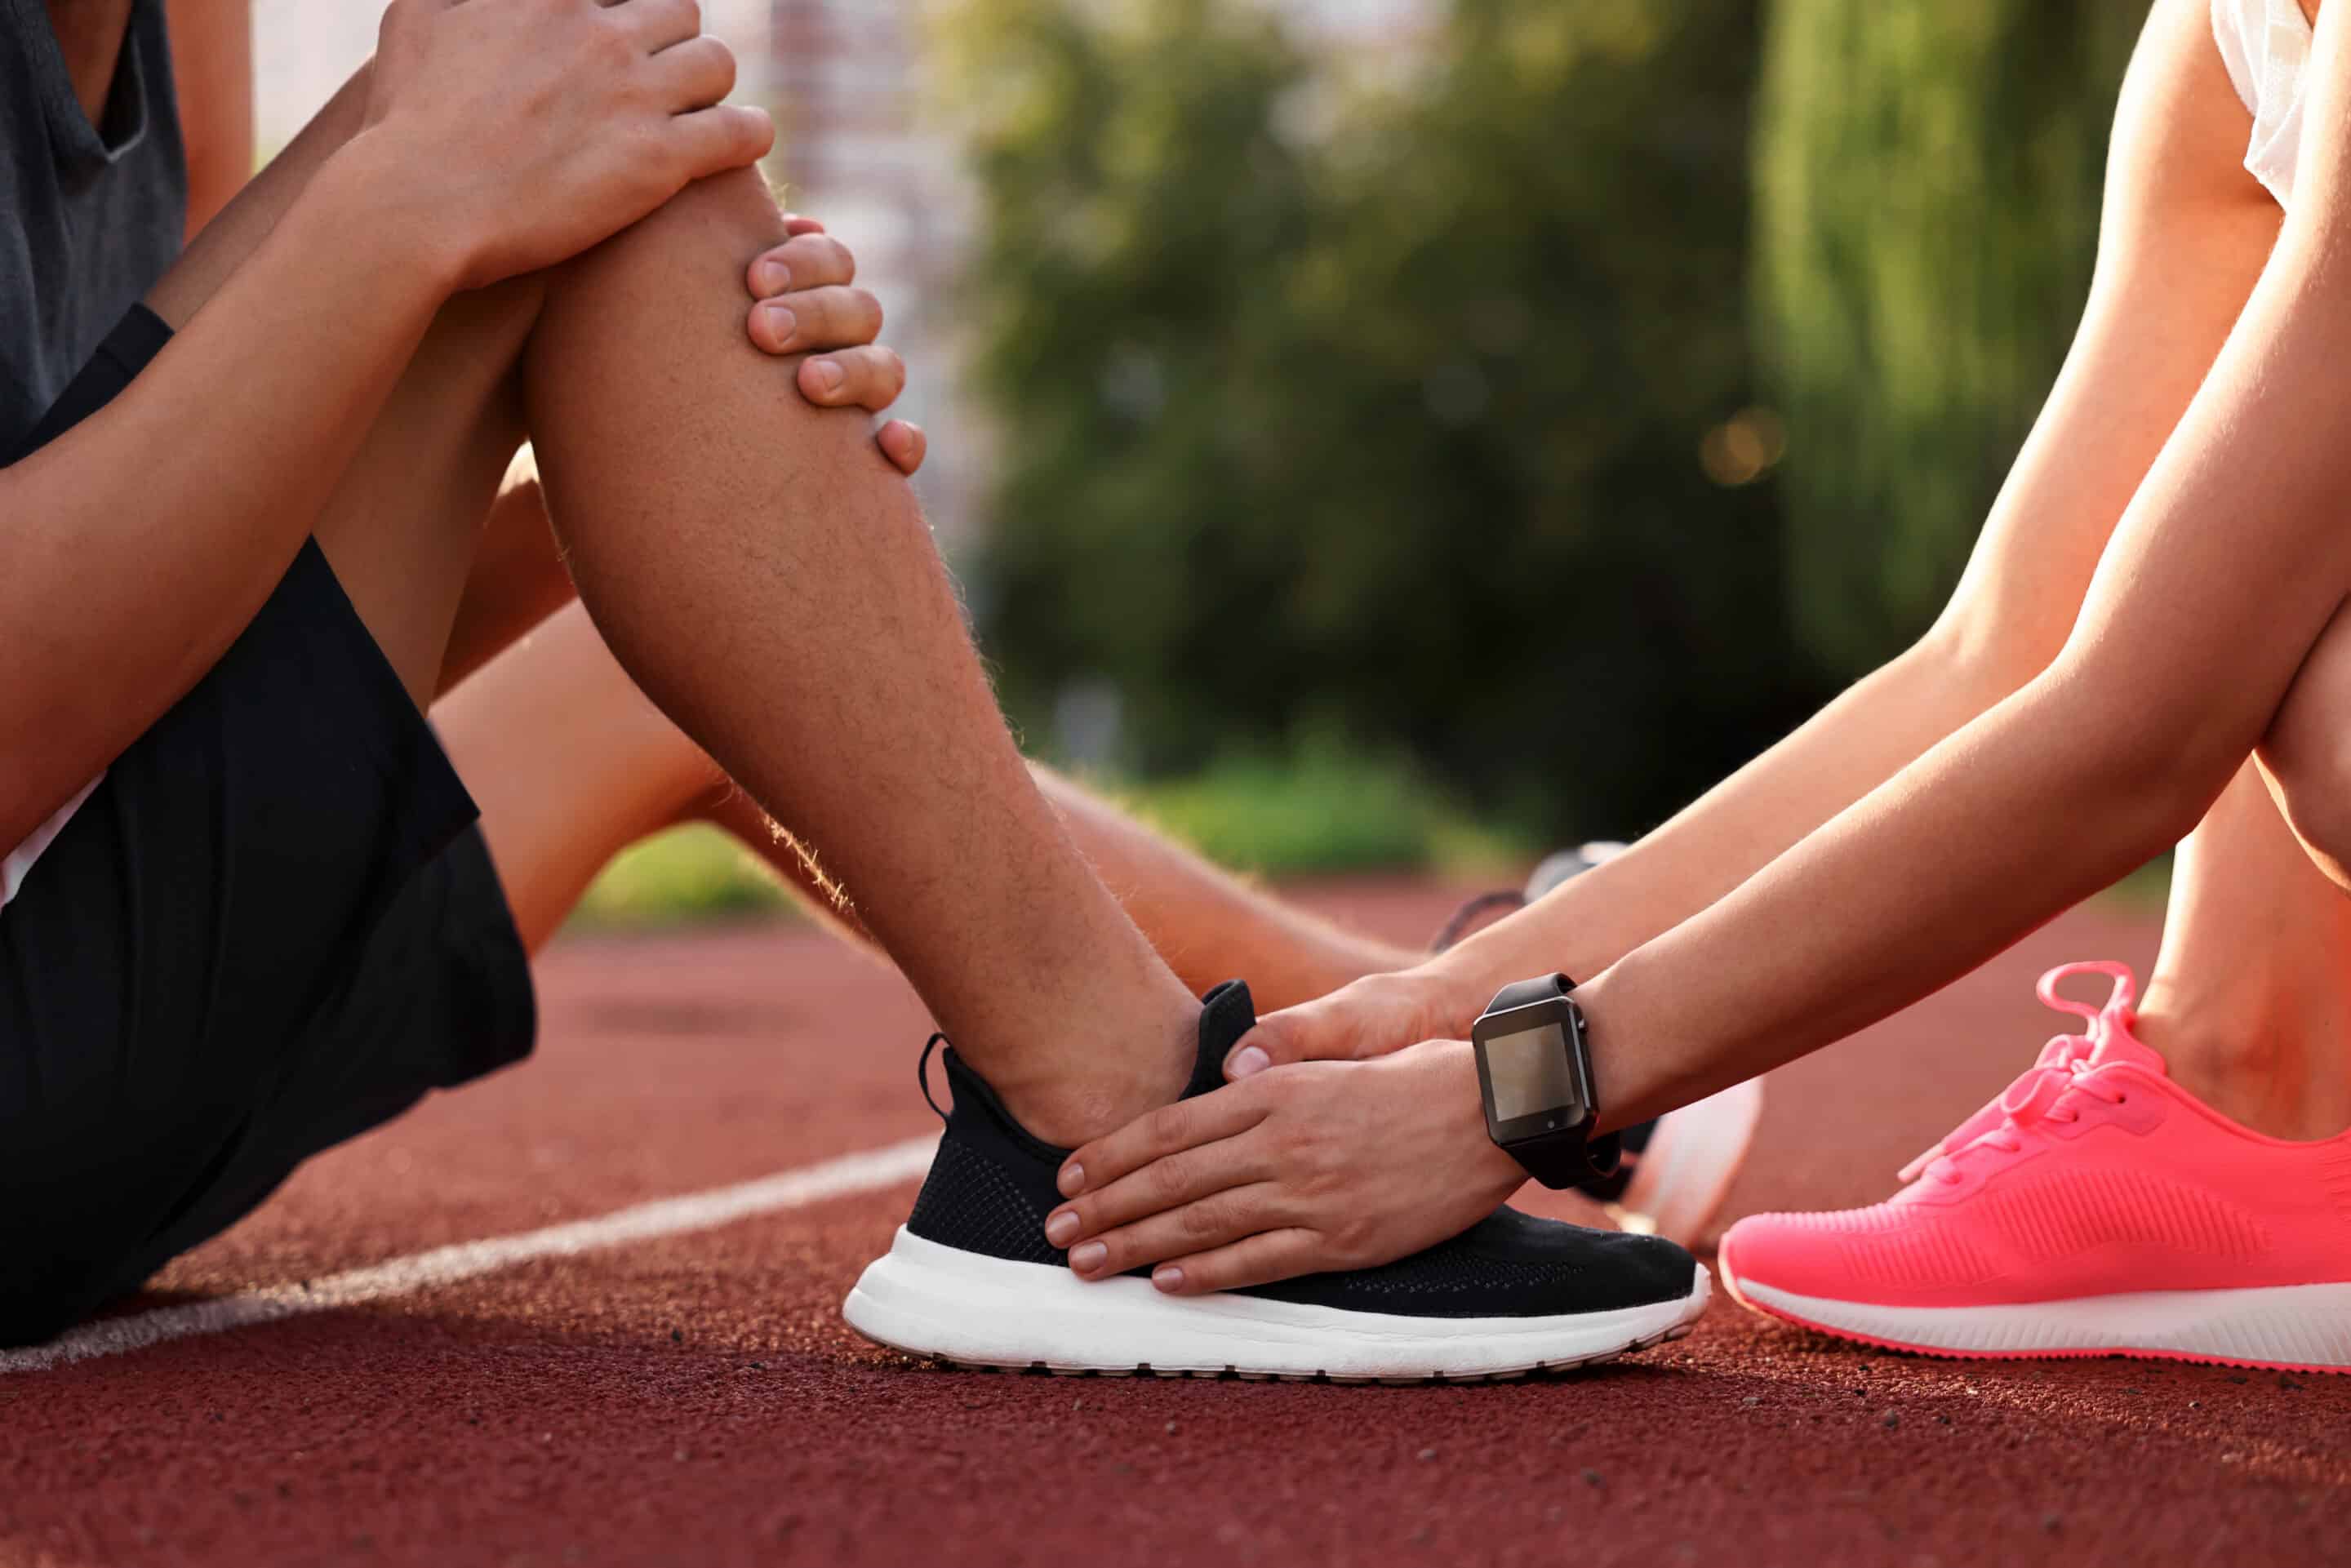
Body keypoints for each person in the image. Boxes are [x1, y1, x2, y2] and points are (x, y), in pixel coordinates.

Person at [1, 0, 1713, 1379]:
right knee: (576, 138)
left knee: (593, 157)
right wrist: (420, 208)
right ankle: (1120, 1138)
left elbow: (227, 581)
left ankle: (1401, 1044)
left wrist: (678, 461)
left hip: (94, 957)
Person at [1040, 0, 2351, 1373]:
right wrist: (1469, 992)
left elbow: (2138, 732)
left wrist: (1511, 1096)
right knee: (2253, 569)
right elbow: (2005, 656)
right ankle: (2239, 1097)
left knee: (2311, 687)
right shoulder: (2230, 31)